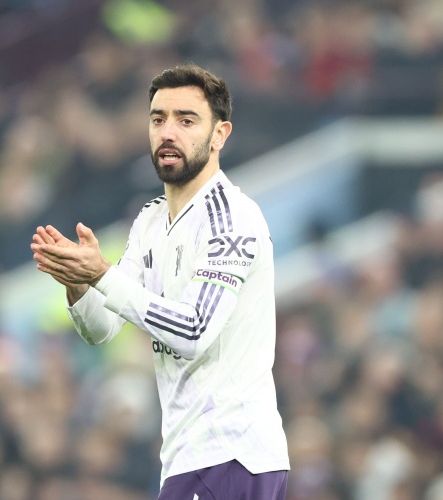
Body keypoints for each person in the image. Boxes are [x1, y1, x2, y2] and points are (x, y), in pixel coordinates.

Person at [30, 64, 290, 499]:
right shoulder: (150, 220)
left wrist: (102, 274)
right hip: (188, 456)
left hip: (231, 453)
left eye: (186, 121)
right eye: (158, 119)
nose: (168, 132)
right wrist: (78, 283)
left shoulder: (232, 219)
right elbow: (101, 329)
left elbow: (193, 331)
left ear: (219, 135)